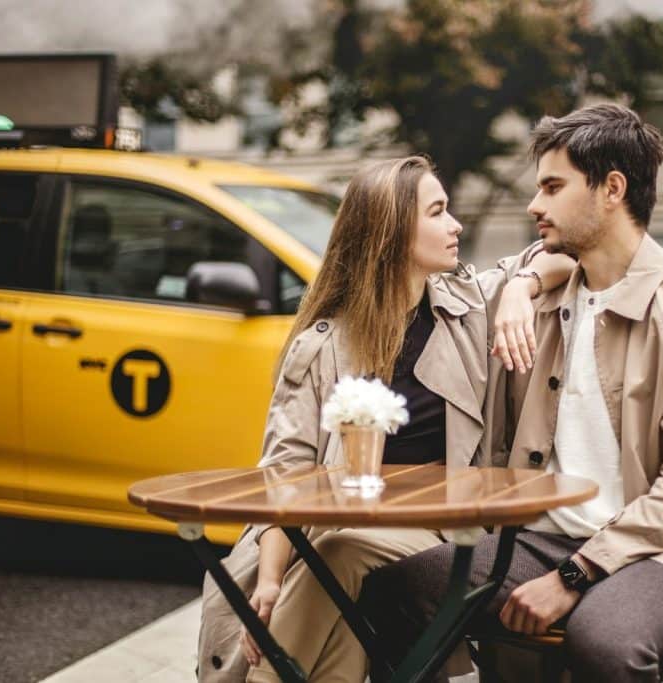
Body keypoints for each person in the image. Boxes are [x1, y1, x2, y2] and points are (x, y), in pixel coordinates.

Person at [359, 104, 663, 683]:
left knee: (604, 640)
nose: (534, 205)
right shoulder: (541, 300)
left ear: (612, 188)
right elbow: (444, 285)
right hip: (540, 539)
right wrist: (522, 282)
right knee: (394, 592)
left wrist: (576, 575)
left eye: (552, 186)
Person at [197, 155, 575, 683]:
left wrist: (520, 287)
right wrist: (269, 579)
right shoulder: (322, 345)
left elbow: (562, 259)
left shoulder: (468, 306)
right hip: (335, 528)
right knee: (341, 606)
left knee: (341, 553)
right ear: (392, 233)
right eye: (438, 212)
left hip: (445, 524)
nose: (455, 224)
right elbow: (286, 471)